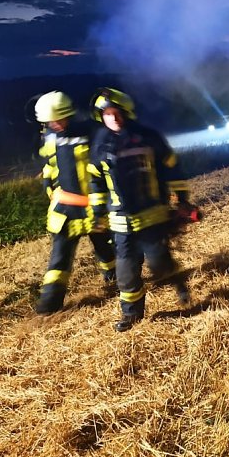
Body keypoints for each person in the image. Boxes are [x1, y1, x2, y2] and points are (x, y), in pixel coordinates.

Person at [87, 88, 193, 332]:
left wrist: (182, 199)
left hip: (152, 216)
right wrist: (97, 212)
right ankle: (131, 315)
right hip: (121, 221)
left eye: (116, 113)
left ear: (127, 113)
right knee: (126, 270)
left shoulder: (148, 137)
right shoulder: (101, 145)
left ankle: (179, 284)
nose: (112, 118)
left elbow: (171, 169)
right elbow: (96, 181)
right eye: (106, 114)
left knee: (159, 264)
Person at [34, 91, 117, 314]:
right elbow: (50, 165)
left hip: (94, 207)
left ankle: (114, 280)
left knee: (105, 249)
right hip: (66, 210)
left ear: (67, 114)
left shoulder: (92, 132)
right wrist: (48, 186)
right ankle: (49, 305)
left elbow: (106, 166)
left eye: (56, 120)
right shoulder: (50, 137)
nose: (54, 125)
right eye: (49, 122)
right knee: (59, 258)